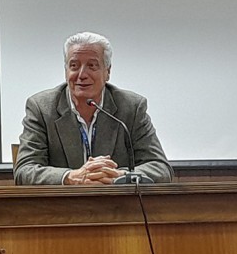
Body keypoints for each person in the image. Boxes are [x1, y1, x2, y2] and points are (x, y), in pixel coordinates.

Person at [14, 31, 173, 185]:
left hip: (118, 208)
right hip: (62, 208)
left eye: (92, 65)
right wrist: (71, 177)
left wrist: (119, 176)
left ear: (107, 72)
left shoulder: (131, 107)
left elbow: (161, 169)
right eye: (74, 66)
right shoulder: (42, 108)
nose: (82, 74)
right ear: (66, 71)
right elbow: (24, 171)